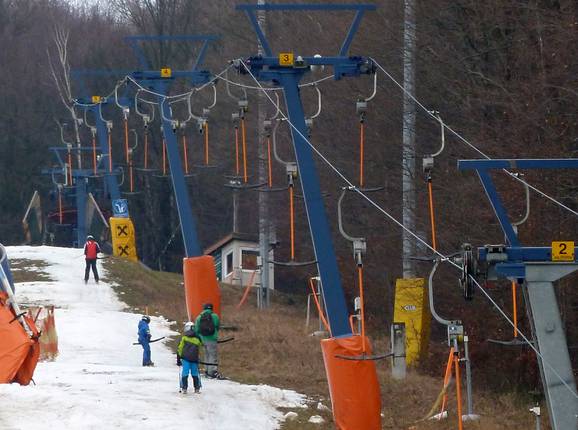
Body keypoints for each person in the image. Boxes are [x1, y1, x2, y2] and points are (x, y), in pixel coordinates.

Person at [195, 303, 222, 379]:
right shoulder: (215, 316)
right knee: (212, 355)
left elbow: (196, 329)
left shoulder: (199, 317)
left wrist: (199, 338)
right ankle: (212, 372)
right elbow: (217, 326)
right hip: (212, 339)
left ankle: (206, 371)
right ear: (212, 309)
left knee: (206, 355)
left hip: (202, 339)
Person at [176, 321, 203, 394]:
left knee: (185, 373)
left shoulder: (184, 338)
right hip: (194, 359)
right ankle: (197, 388)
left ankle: (184, 388)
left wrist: (179, 358)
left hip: (185, 359)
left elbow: (180, 349)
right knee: (195, 373)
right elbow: (201, 345)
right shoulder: (197, 339)